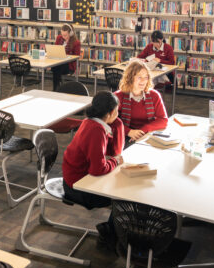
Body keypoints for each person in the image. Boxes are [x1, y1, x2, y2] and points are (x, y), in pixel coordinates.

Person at [62, 91, 125, 246]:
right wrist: (115, 162)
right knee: (124, 197)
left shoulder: (89, 122)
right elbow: (98, 169)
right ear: (110, 113)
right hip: (78, 188)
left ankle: (110, 232)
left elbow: (114, 151)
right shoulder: (97, 130)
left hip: (75, 179)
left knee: (121, 187)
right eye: (117, 111)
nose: (118, 114)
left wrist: (118, 124)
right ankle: (109, 235)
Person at [114, 59, 167, 142]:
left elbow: (163, 120)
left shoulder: (154, 95)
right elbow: (111, 121)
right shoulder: (118, 96)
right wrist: (128, 131)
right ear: (130, 78)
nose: (143, 81)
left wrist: (143, 130)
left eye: (146, 77)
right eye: (139, 77)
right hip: (125, 136)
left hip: (147, 134)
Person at [51, 24, 81, 91]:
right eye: (62, 35)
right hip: (58, 62)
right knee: (56, 67)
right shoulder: (59, 38)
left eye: (65, 35)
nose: (63, 37)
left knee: (55, 68)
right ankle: (57, 88)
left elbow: (77, 57)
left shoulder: (76, 43)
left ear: (71, 33)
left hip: (69, 65)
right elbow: (56, 50)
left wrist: (67, 57)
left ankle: (56, 89)